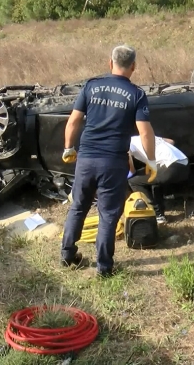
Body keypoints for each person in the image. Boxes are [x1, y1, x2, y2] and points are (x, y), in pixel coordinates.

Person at [60, 45, 157, 277]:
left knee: (78, 207)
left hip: (86, 158)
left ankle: (67, 255)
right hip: (113, 162)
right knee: (108, 214)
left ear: (109, 63)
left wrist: (68, 148)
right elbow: (145, 132)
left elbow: (73, 122)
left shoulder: (91, 86)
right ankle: (104, 267)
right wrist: (151, 161)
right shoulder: (136, 94)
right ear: (133, 66)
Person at [127, 135, 190, 224]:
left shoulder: (125, 143)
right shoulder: (143, 138)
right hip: (184, 164)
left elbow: (131, 169)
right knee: (153, 180)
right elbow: (171, 141)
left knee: (133, 180)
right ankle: (160, 214)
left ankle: (155, 214)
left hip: (170, 167)